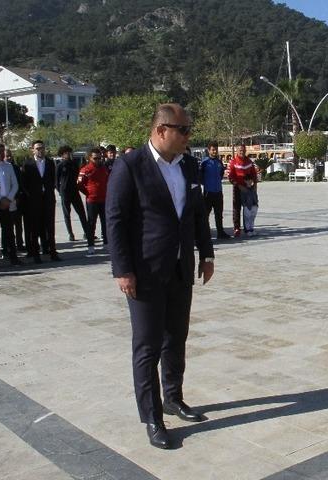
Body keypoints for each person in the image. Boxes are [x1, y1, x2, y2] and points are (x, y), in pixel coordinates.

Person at [106, 103, 214, 450]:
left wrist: (207, 252)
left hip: (181, 268)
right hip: (146, 271)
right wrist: (122, 269)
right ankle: (152, 416)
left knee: (176, 338)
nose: (188, 136)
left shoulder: (190, 165)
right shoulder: (129, 166)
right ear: (161, 130)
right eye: (183, 130)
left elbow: (197, 214)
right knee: (147, 345)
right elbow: (116, 221)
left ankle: (173, 397)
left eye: (189, 130)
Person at [21, 140, 60, 263]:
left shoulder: (49, 162)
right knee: (35, 227)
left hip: (48, 198)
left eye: (42, 148)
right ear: (32, 150)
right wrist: (30, 195)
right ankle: (36, 254)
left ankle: (52, 252)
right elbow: (24, 183)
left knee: (50, 227)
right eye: (37, 148)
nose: (40, 150)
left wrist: (49, 190)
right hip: (34, 200)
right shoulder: (28, 164)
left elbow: (53, 179)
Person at [77, 148, 109, 256]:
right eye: (95, 158)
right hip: (92, 200)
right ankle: (91, 246)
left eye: (100, 158)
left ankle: (106, 243)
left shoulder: (104, 168)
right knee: (91, 223)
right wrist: (88, 193)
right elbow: (79, 184)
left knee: (105, 222)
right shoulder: (85, 170)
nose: (98, 160)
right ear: (90, 158)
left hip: (104, 199)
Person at [55, 146, 88, 242]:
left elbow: (78, 177)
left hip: (75, 191)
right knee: (67, 214)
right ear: (62, 155)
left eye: (70, 152)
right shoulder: (60, 166)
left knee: (81, 212)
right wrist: (61, 192)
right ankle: (71, 234)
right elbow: (56, 182)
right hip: (65, 192)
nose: (69, 154)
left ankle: (87, 232)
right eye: (67, 153)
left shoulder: (74, 164)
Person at [199, 141, 231, 239]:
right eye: (213, 150)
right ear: (208, 150)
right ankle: (205, 233)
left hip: (218, 192)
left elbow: (221, 174)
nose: (214, 151)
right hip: (208, 193)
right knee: (205, 214)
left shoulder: (219, 162)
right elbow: (200, 177)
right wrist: (207, 184)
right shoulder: (204, 162)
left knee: (219, 214)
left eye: (216, 149)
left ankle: (220, 232)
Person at [227, 144, 257, 237]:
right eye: (240, 150)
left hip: (248, 188)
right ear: (237, 151)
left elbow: (254, 174)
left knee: (248, 209)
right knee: (236, 208)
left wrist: (254, 185)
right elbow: (230, 176)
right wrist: (239, 186)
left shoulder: (249, 161)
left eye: (243, 150)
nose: (242, 152)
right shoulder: (233, 162)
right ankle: (236, 228)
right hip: (237, 188)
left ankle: (247, 228)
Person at [4, 148, 26, 253]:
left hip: (17, 199)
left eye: (10, 156)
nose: (8, 158)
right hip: (5, 201)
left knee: (18, 224)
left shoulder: (16, 168)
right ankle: (9, 245)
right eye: (6, 156)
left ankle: (20, 243)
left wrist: (18, 197)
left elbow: (20, 183)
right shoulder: (2, 168)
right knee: (8, 225)